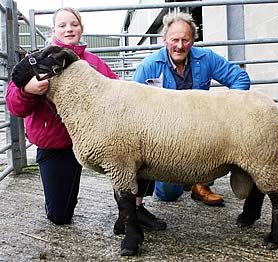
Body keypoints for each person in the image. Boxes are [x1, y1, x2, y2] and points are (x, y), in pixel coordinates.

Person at [5, 7, 119, 225]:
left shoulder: (93, 64)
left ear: (81, 28)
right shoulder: (37, 60)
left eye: (74, 25)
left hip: (94, 143)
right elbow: (14, 105)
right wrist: (27, 90)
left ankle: (135, 208)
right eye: (63, 25)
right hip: (57, 146)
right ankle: (57, 199)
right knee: (60, 216)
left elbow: (117, 89)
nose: (69, 29)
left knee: (140, 156)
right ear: (54, 29)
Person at [132, 12, 250, 207]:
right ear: (164, 40)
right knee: (168, 194)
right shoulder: (149, 66)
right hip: (166, 138)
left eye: (185, 40)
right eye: (174, 40)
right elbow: (134, 104)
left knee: (213, 145)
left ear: (193, 41)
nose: (179, 45)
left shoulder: (206, 58)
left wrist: (227, 108)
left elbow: (240, 78)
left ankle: (200, 183)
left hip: (200, 131)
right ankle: (177, 181)